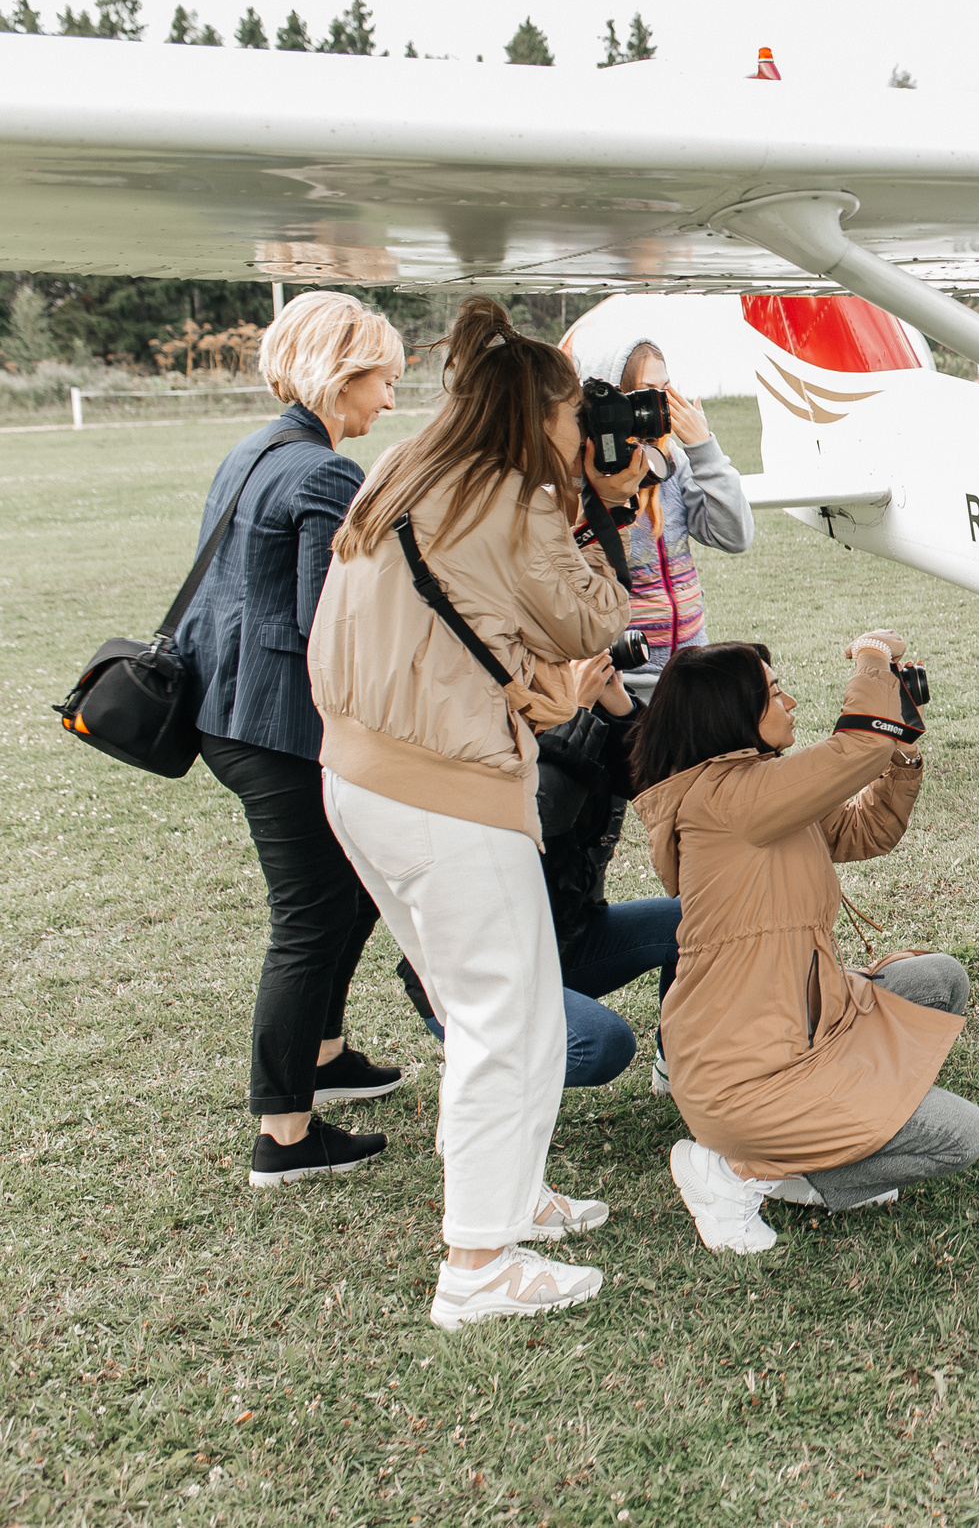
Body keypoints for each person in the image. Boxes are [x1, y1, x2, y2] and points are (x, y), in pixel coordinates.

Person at [308, 296, 644, 1330]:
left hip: (360, 775)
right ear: (538, 414)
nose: (577, 433)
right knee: (509, 1013)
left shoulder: (406, 466)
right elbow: (592, 620)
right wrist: (608, 507)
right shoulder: (513, 496)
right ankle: (479, 1265)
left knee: (480, 1006)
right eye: (571, 418)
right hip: (443, 789)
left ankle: (511, 1196)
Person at [629, 636, 979, 1255]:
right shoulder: (729, 801)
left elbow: (867, 829)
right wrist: (872, 658)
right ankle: (737, 1173)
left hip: (805, 1022)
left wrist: (902, 751)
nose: (789, 702)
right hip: (747, 1073)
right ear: (730, 714)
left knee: (939, 981)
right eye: (773, 693)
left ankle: (804, 1159)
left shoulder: (756, 788)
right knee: (959, 1134)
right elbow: (857, 746)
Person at [175, 290, 410, 1189]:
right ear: (339, 377)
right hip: (274, 726)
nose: (389, 399)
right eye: (382, 380)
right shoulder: (324, 474)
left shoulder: (254, 449)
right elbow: (331, 624)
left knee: (352, 889)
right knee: (310, 917)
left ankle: (326, 1052)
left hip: (227, 710)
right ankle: (284, 1134)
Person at [393, 648, 681, 1091]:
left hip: (564, 939)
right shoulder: (480, 724)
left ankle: (677, 1062)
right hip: (482, 970)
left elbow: (658, 784)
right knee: (600, 1045)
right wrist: (576, 709)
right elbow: (544, 815)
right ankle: (476, 1067)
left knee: (695, 921)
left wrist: (619, 706)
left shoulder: (573, 720)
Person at [565, 324, 752, 676]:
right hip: (625, 674)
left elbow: (734, 536)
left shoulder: (670, 461)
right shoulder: (580, 476)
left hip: (689, 665)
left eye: (665, 390)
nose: (659, 405)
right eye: (646, 393)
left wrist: (704, 448)